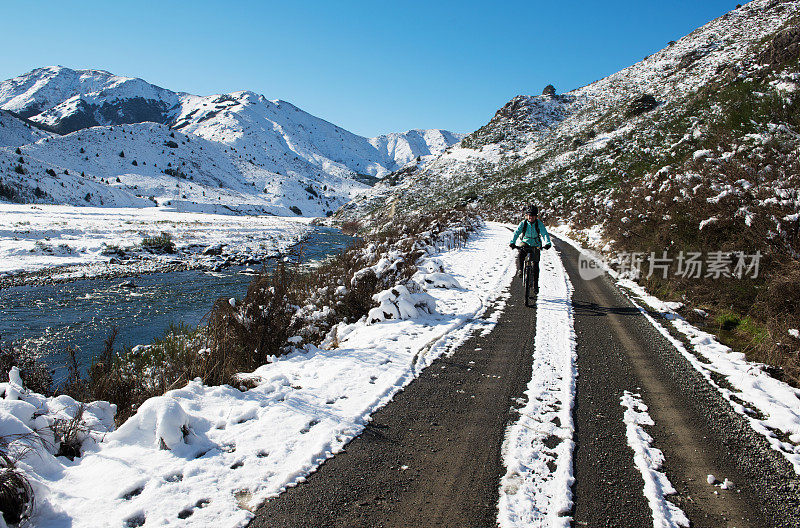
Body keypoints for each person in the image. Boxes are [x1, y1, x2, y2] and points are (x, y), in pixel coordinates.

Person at [509, 205, 552, 292]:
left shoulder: (538, 224)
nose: (530, 217)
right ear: (526, 215)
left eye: (532, 215)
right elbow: (516, 233)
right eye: (529, 215)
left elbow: (544, 233)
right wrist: (512, 242)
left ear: (536, 216)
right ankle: (521, 269)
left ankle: (535, 284)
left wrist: (547, 243)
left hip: (536, 243)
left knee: (536, 264)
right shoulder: (523, 223)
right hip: (525, 241)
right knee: (521, 252)